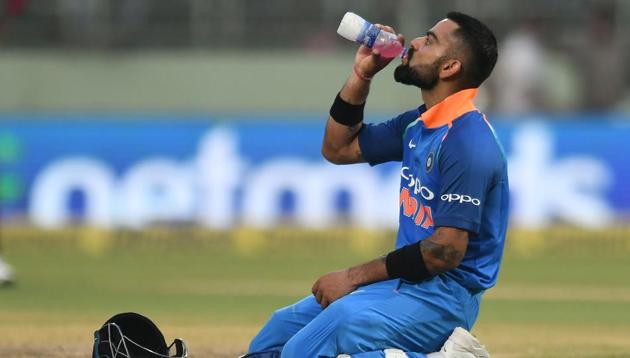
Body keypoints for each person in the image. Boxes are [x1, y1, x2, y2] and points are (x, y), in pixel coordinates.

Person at [245, 11, 508, 358]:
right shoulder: (420, 123)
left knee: (308, 347)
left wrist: (352, 277)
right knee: (277, 335)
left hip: (443, 298)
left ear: (449, 68)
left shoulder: (467, 142)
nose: (413, 42)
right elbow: (338, 148)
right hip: (404, 284)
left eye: (429, 41)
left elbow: (445, 251)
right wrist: (361, 74)